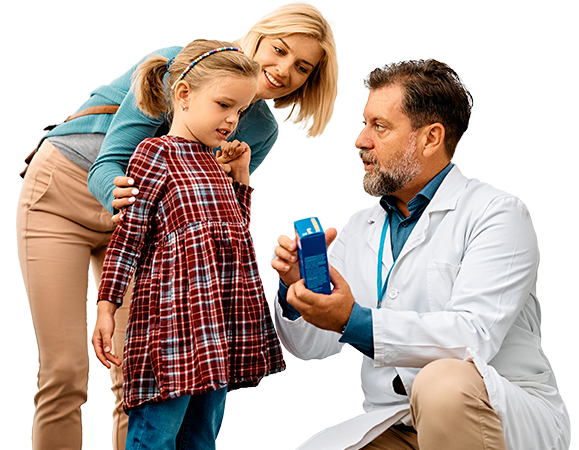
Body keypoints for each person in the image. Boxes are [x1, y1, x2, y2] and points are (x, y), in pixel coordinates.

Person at [15, 4, 337, 450]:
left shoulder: (258, 130)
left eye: (301, 67)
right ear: (259, 38)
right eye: (279, 50)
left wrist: (237, 180)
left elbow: (214, 217)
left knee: (141, 372)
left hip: (142, 227)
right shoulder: (184, 65)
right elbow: (113, 160)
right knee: (65, 369)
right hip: (67, 192)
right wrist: (131, 207)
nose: (283, 70)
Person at [271, 58, 570, 450]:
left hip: (496, 412)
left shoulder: (497, 215)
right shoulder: (362, 229)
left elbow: (471, 338)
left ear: (431, 138)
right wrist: (296, 291)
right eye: (364, 123)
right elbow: (313, 348)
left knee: (442, 383)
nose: (361, 140)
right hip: (395, 418)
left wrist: (352, 319)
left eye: (379, 126)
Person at [91, 39, 286, 450]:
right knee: (156, 435)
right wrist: (106, 307)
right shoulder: (154, 153)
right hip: (172, 327)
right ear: (183, 94)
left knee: (202, 437)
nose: (232, 120)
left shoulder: (216, 159)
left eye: (241, 111)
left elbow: (231, 233)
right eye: (223, 105)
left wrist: (242, 178)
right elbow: (129, 237)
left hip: (218, 325)